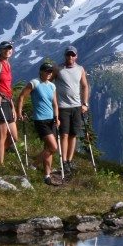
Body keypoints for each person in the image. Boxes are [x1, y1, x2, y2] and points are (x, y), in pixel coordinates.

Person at [16, 61, 63, 186]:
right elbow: (21, 97)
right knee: (53, 147)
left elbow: (55, 104)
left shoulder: (52, 86)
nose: (48, 73)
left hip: (51, 120)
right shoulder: (34, 83)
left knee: (48, 148)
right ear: (41, 71)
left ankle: (47, 176)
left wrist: (57, 117)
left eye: (50, 71)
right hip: (40, 120)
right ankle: (33, 165)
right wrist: (19, 112)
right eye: (46, 71)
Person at [55, 45, 90, 177]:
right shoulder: (58, 69)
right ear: (65, 56)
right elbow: (48, 81)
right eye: (68, 55)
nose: (70, 57)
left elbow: (85, 86)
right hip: (63, 107)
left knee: (73, 135)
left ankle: (69, 161)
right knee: (64, 134)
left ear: (76, 56)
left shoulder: (80, 69)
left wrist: (85, 103)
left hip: (76, 106)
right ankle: (63, 161)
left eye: (72, 55)